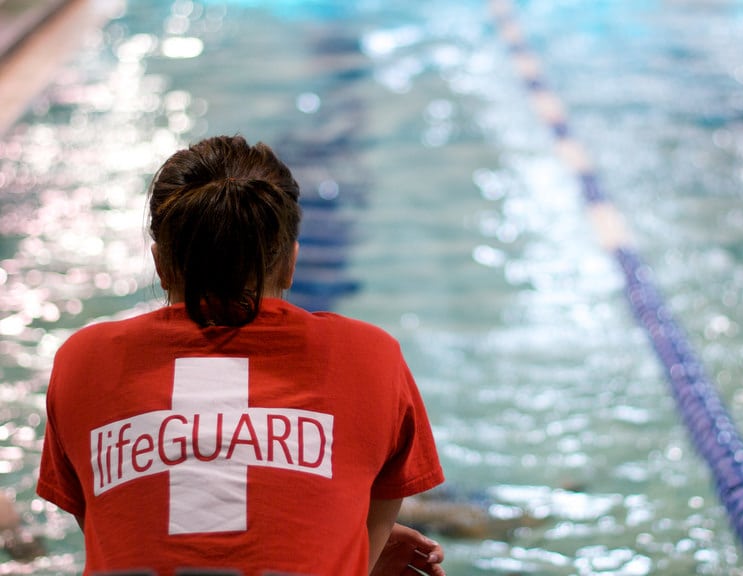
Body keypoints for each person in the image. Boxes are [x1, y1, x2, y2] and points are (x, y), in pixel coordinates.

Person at [35, 135, 446, 575]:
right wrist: (350, 553)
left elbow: (111, 527)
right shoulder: (371, 358)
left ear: (159, 263)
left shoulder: (83, 363)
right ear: (290, 264)